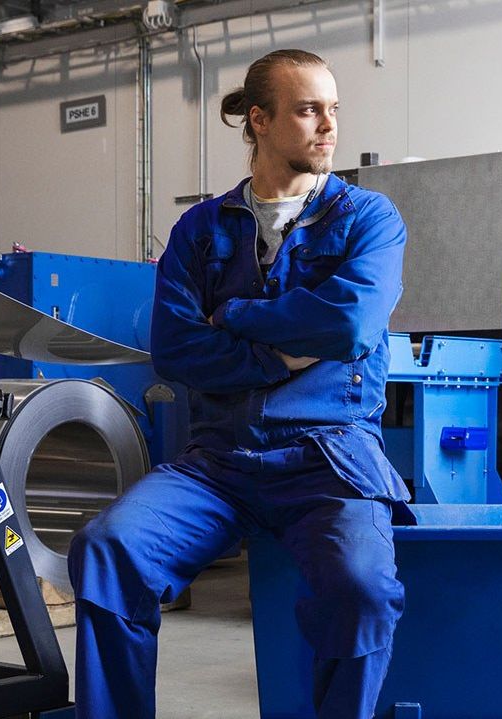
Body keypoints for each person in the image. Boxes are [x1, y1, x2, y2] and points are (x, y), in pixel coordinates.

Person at [68, 48, 408, 719]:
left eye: (333, 109)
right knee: (107, 551)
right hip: (220, 463)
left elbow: (348, 324)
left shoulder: (368, 218)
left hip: (327, 458)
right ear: (259, 119)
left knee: (362, 587)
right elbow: (175, 350)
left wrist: (241, 317)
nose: (328, 125)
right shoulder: (200, 230)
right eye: (309, 109)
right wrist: (282, 358)